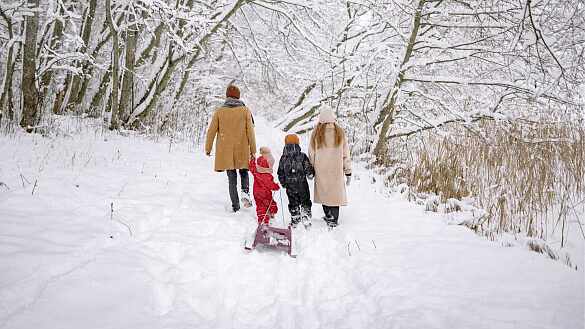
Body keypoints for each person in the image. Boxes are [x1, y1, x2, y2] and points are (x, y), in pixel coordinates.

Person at [205, 84, 256, 212]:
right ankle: (245, 192)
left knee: (231, 177)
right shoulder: (245, 111)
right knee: (244, 172)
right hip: (242, 148)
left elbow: (211, 131)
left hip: (226, 150)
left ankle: (236, 206)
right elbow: (250, 131)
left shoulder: (220, 111)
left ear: (227, 96)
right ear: (238, 97)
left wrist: (208, 148)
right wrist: (253, 150)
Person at [308, 108, 351, 227]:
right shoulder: (339, 132)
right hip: (336, 170)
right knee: (334, 195)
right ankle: (334, 219)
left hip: (321, 169)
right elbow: (345, 153)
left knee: (324, 193)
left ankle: (328, 215)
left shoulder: (316, 132)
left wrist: (311, 167)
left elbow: (311, 152)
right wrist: (348, 171)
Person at [277, 134, 314, 227]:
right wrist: (310, 173)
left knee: (293, 202)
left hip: (290, 185)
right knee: (305, 200)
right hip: (302, 184)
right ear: (298, 143)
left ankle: (295, 217)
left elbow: (280, 172)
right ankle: (306, 215)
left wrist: (283, 183)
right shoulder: (302, 156)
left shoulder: (283, 158)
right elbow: (307, 167)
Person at [249, 148, 280, 224]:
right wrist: (276, 186)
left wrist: (252, 160)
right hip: (265, 193)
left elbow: (251, 167)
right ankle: (266, 219)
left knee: (260, 206)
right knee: (270, 203)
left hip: (256, 193)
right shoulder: (266, 175)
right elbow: (270, 185)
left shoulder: (256, 170)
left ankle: (264, 218)